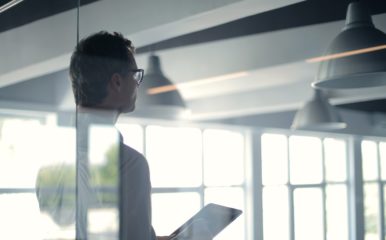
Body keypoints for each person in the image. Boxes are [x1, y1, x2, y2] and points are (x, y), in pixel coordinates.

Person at [69, 31, 169, 240]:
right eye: (135, 75)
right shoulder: (129, 164)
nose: (137, 84)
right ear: (117, 82)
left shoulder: (55, 157)